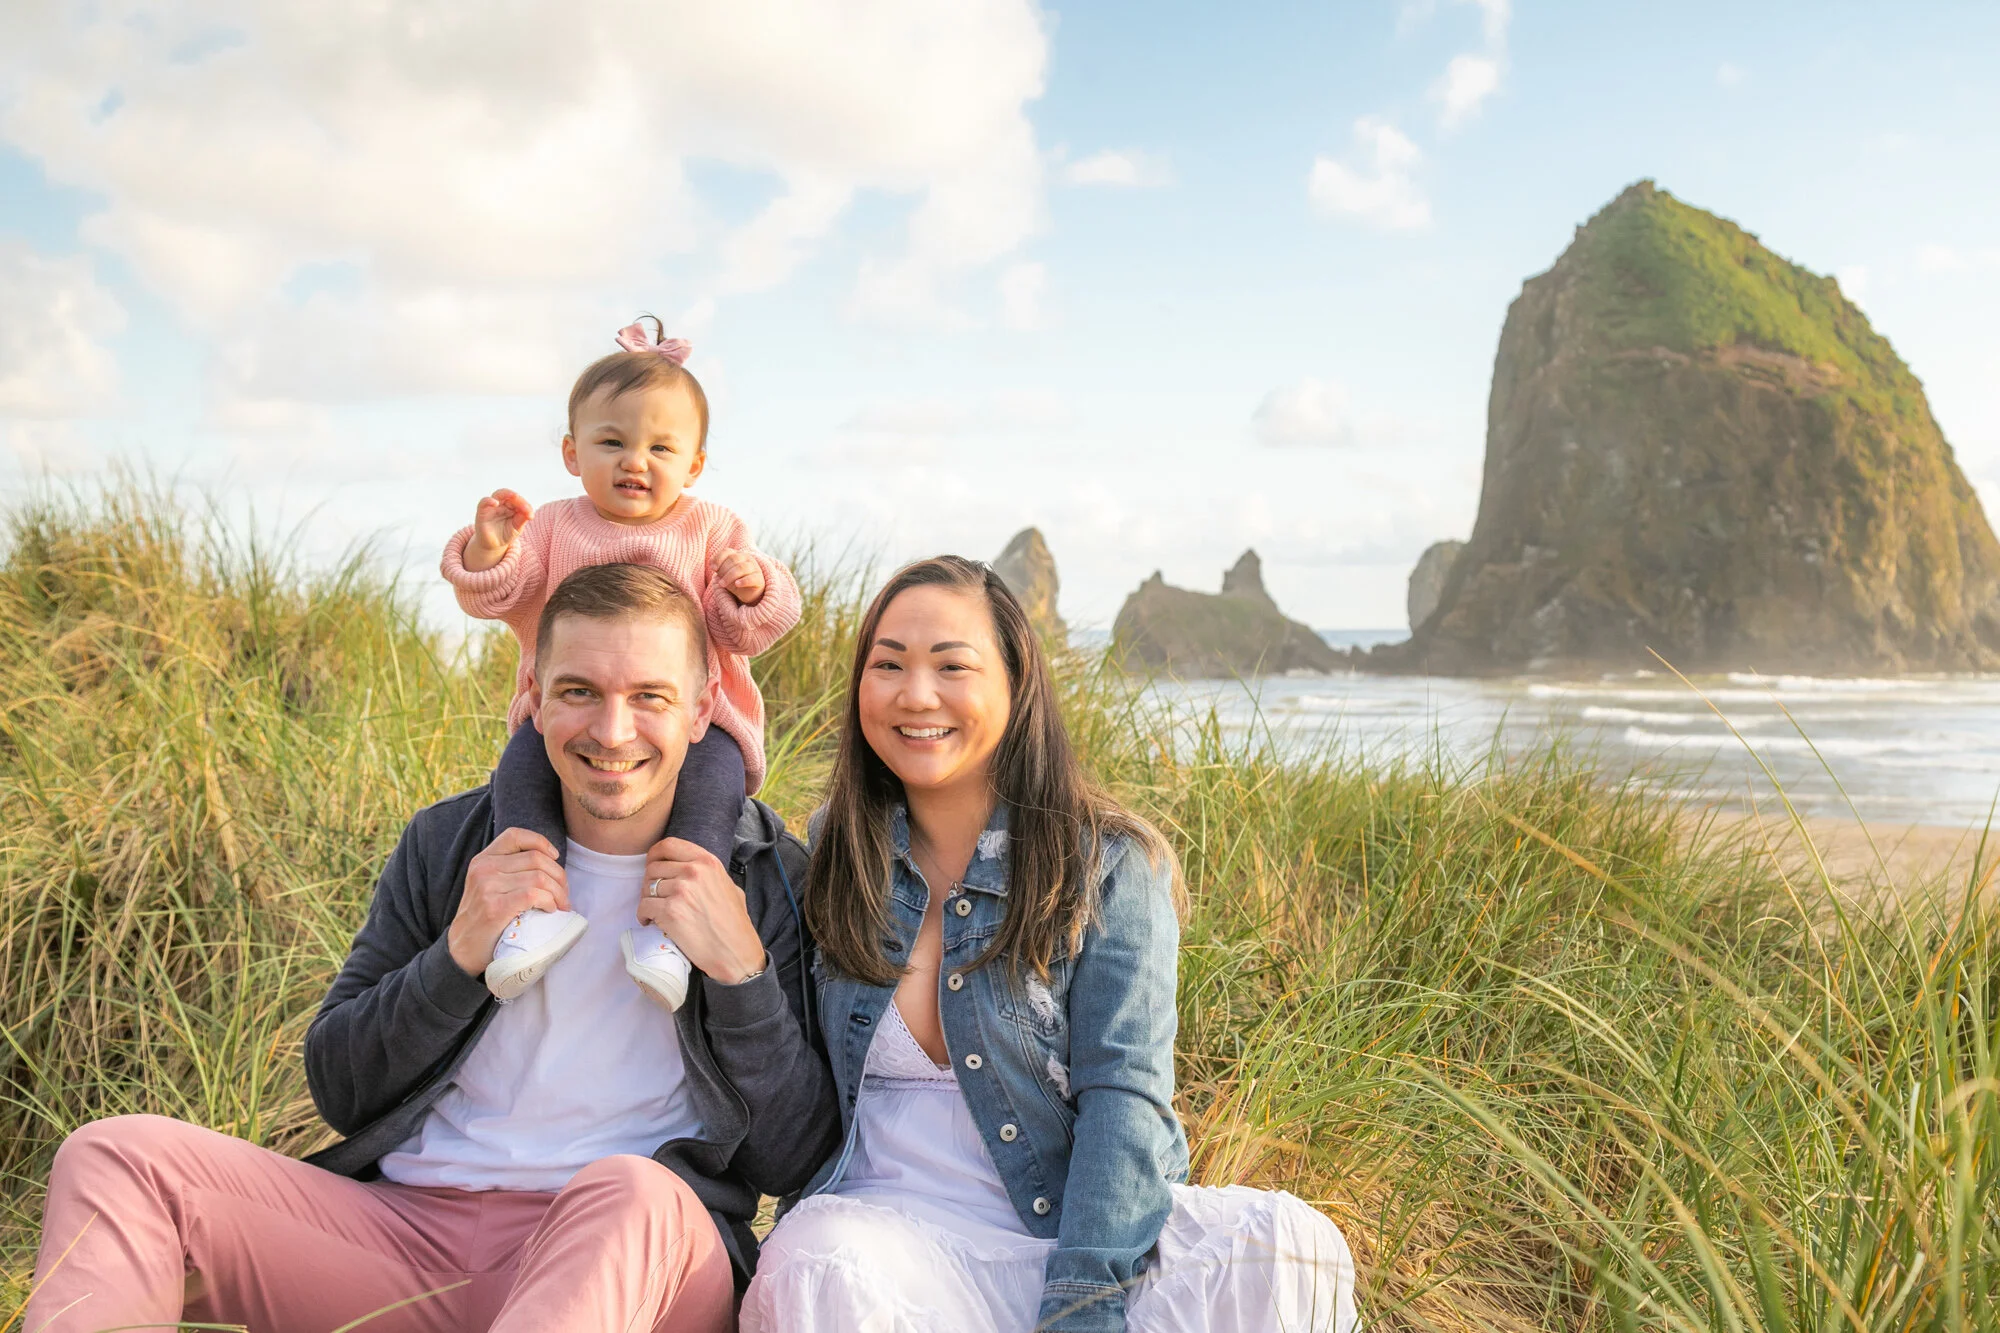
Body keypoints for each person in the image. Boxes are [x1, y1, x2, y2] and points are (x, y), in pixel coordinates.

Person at [25, 563, 838, 1333]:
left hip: (632, 1254)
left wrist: (742, 975)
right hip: (406, 1240)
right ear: (534, 695)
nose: (612, 729)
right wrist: (457, 954)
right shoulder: (450, 844)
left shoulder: (765, 875)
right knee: (115, 1158)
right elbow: (343, 1085)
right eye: (579, 691)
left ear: (702, 709)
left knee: (633, 1192)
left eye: (649, 696)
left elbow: (794, 1154)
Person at [742, 556, 1361, 1333]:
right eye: (888, 664)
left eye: (951, 665)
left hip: (1069, 1234)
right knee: (820, 1260)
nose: (915, 694)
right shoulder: (834, 848)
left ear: (1016, 683)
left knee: (1291, 1249)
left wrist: (1082, 1304)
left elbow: (1125, 1101)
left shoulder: (1106, 863)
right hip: (888, 1244)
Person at [442, 317, 801, 1010]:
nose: (636, 460)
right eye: (612, 441)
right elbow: (503, 593)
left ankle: (669, 931)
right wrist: (490, 548)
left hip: (705, 727)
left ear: (694, 463)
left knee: (709, 803)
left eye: (661, 446)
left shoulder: (710, 530)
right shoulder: (552, 525)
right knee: (518, 779)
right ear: (573, 453)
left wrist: (751, 585)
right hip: (552, 718)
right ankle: (529, 913)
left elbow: (752, 628)